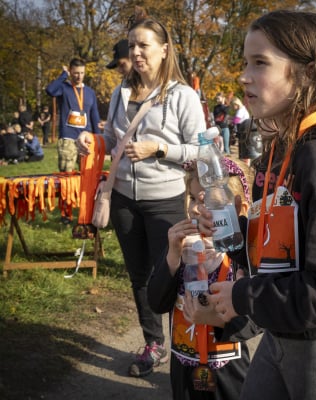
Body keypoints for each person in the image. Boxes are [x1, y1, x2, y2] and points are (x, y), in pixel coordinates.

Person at [197, 10, 316, 400]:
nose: (244, 76)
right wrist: (234, 226)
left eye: (261, 63)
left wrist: (242, 298)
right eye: (246, 62)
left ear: (306, 74)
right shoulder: (279, 150)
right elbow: (290, 245)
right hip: (281, 333)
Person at [76, 6, 206, 378]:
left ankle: (186, 342)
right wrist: (94, 139)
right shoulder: (120, 93)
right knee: (139, 278)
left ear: (164, 49)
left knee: (172, 274)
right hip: (123, 200)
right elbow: (116, 140)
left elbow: (201, 150)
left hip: (165, 198)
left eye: (143, 45)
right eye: (132, 45)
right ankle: (154, 344)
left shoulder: (182, 96)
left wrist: (159, 149)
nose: (135, 52)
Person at [148, 158, 259, 400]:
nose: (196, 209)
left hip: (229, 372)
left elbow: (257, 317)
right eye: (192, 198)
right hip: (183, 368)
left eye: (206, 200)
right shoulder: (181, 246)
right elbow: (156, 303)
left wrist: (217, 320)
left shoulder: (243, 255)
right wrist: (172, 256)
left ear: (236, 205)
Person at [46, 57, 101, 173]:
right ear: (70, 71)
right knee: (67, 175)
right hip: (68, 138)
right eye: (76, 73)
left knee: (88, 174)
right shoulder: (64, 88)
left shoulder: (90, 92)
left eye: (82, 73)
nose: (79, 76)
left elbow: (94, 116)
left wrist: (99, 139)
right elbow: (50, 90)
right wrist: (63, 75)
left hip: (86, 140)